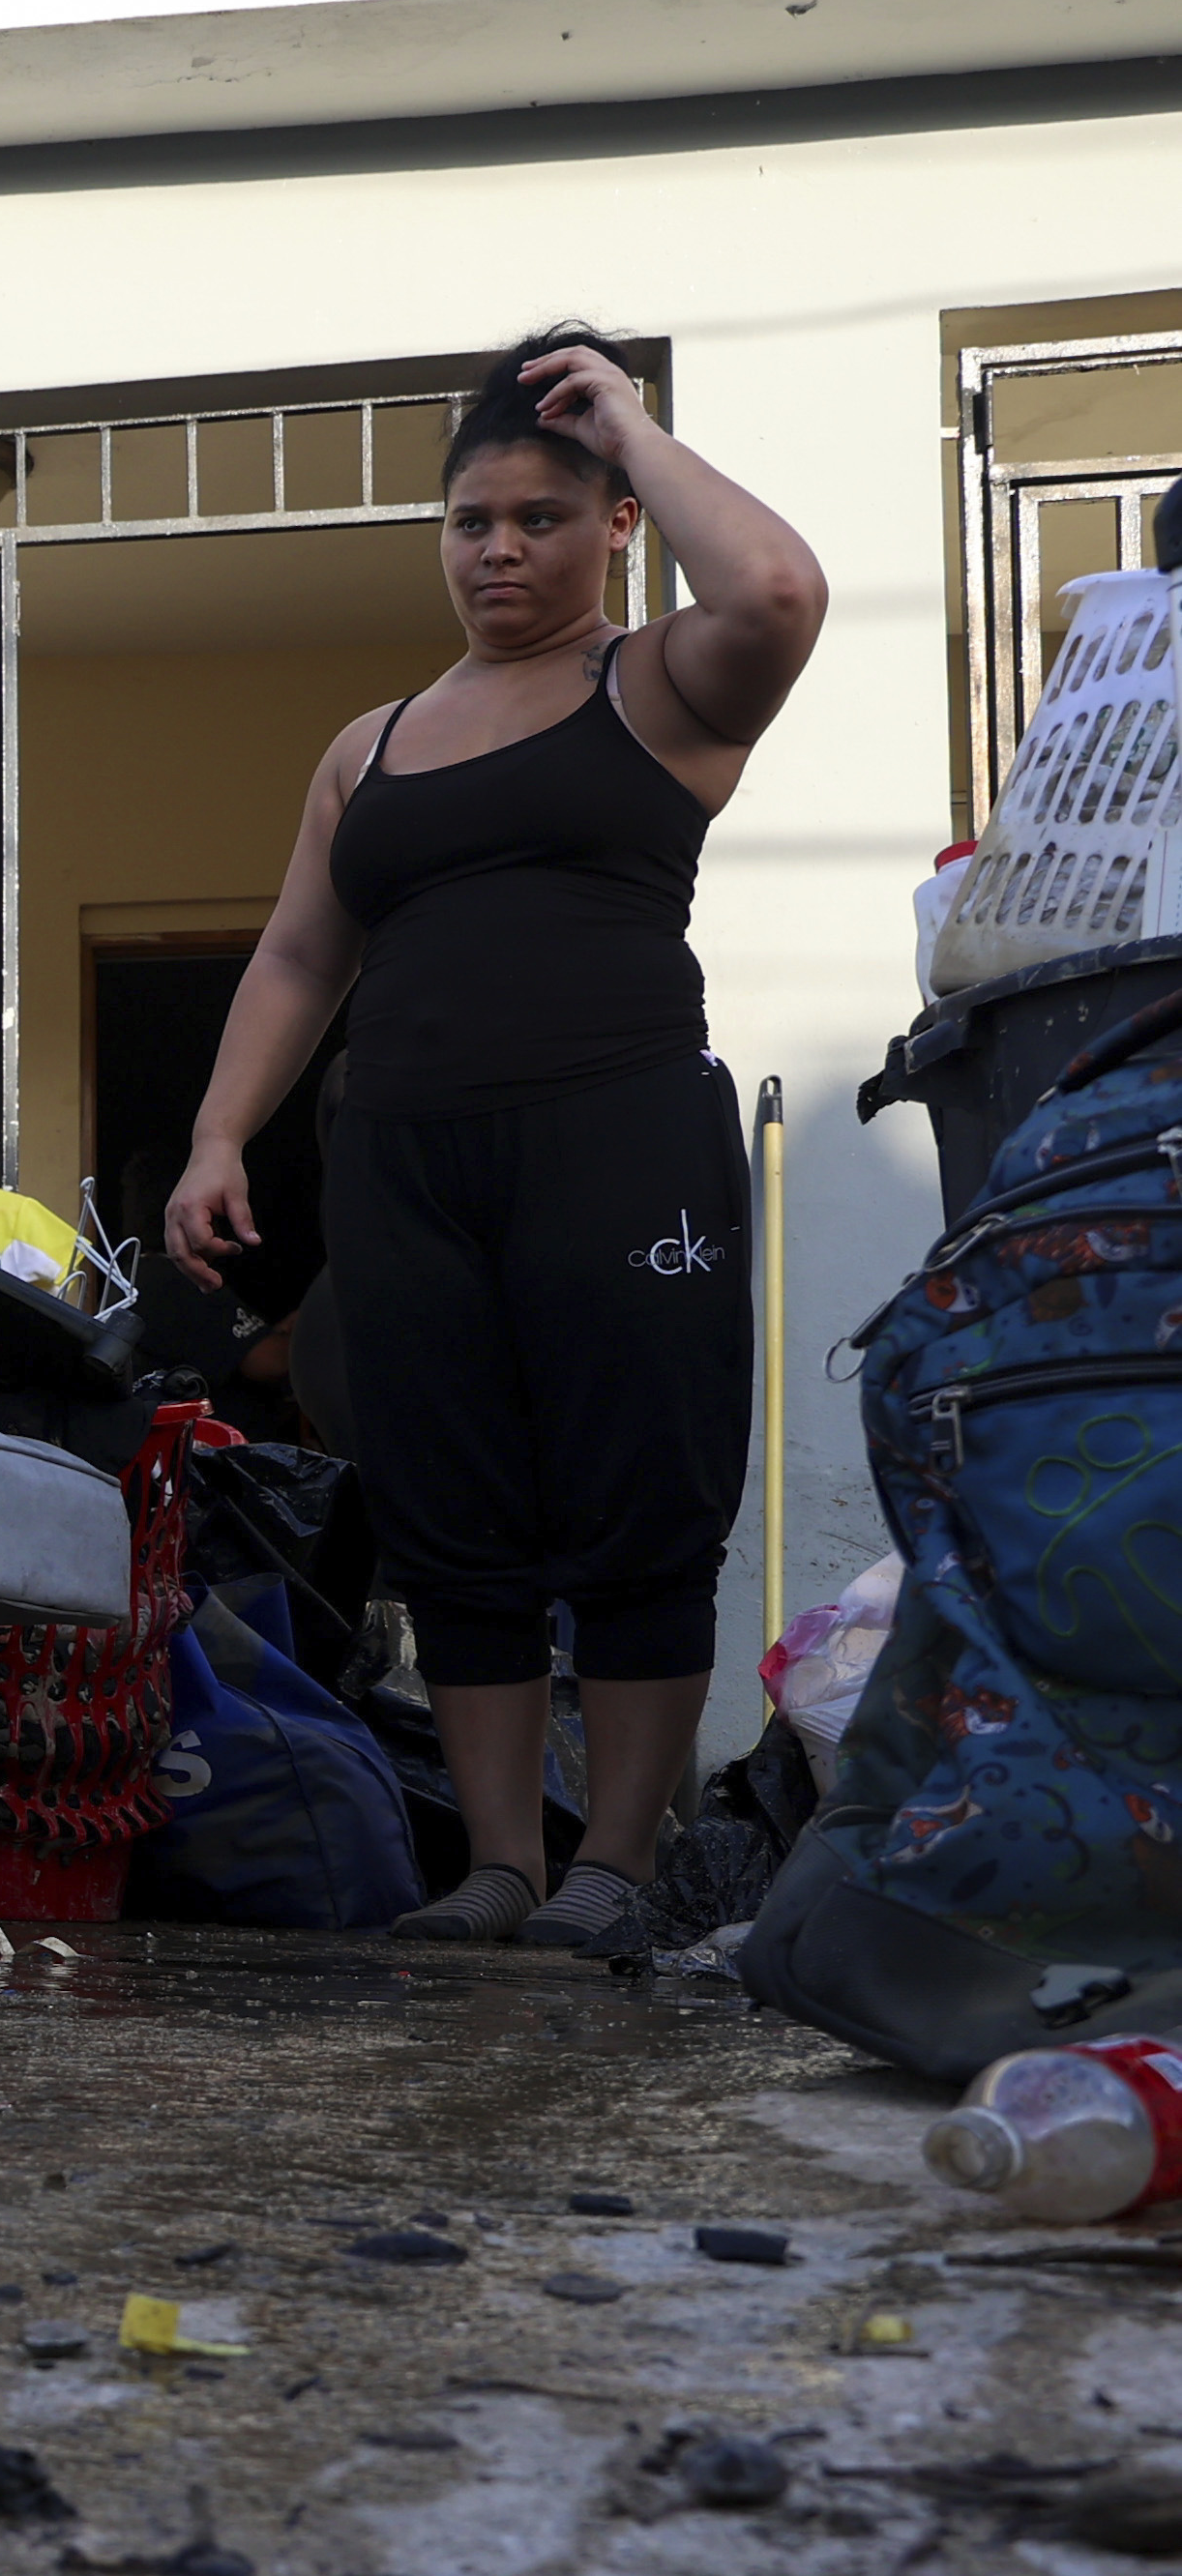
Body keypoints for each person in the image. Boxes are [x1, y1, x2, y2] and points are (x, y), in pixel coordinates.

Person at [163, 327, 827, 1954]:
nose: (500, 550)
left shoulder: (661, 678)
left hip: (616, 1138)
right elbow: (302, 955)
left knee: (635, 1498)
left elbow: (780, 592)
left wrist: (630, 424)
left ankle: (615, 1863)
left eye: (542, 516)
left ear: (615, 525)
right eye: (473, 521)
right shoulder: (370, 744)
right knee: (450, 1508)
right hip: (405, 1158)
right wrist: (216, 1134)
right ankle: (503, 1864)